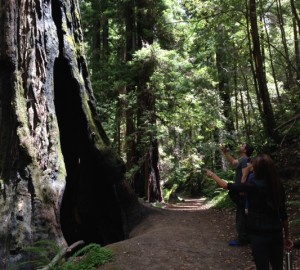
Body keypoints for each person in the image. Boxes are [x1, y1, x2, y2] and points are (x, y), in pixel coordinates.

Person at [205, 154, 293, 270]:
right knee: (278, 267)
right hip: (276, 234)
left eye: (253, 166)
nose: (251, 167)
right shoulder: (277, 186)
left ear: (258, 169)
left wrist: (212, 175)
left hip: (258, 235)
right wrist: (286, 236)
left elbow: (226, 185)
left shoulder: (253, 186)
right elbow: (283, 214)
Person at [221, 143, 254, 246]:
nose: (241, 146)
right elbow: (233, 162)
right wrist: (226, 153)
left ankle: (242, 239)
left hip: (242, 191)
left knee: (241, 214)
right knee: (241, 213)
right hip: (241, 190)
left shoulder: (245, 160)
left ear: (245, 150)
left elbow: (245, 174)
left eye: (243, 145)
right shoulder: (242, 159)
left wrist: (242, 189)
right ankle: (245, 237)